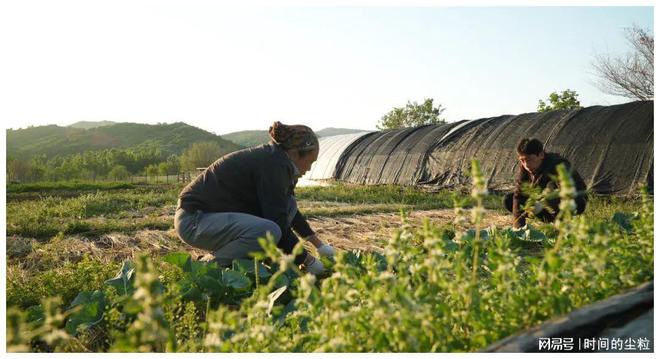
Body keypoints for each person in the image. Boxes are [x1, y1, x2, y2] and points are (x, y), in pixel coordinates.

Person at [174, 121, 335, 275]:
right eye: (310, 162)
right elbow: (277, 222)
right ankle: (206, 267)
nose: (309, 168)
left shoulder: (277, 160)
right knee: (268, 231)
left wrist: (319, 245)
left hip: (211, 218)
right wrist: (307, 260)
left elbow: (288, 213)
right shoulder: (272, 166)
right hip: (194, 220)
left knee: (289, 204)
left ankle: (251, 260)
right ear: (294, 153)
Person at [504, 138, 587, 228]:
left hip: (575, 201)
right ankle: (549, 220)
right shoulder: (525, 168)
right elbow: (518, 196)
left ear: (541, 155)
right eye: (522, 160)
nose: (526, 165)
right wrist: (519, 228)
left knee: (550, 190)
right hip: (547, 204)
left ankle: (560, 225)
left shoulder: (557, 164)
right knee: (509, 200)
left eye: (529, 159)